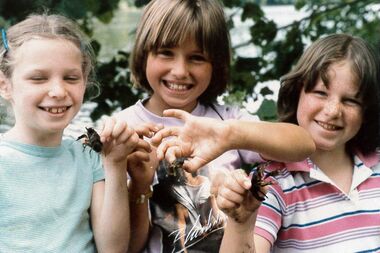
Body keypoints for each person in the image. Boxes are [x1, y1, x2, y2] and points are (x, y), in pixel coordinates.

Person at [116, 0, 315, 252]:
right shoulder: (123, 128)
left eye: (196, 58)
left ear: (216, 65)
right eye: (166, 53)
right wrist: (139, 186)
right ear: (144, 54)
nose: (180, 71)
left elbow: (303, 144)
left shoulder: (225, 120)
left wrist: (231, 134)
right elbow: (125, 247)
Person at [156, 34, 380, 252]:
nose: (332, 111)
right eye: (320, 93)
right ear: (296, 93)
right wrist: (241, 225)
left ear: (367, 110)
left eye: (350, 100)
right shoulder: (271, 184)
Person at [0, 13, 152, 252]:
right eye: (38, 78)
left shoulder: (89, 157)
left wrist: (115, 163)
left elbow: (113, 249)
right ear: (4, 85)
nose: (58, 91)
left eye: (71, 78)